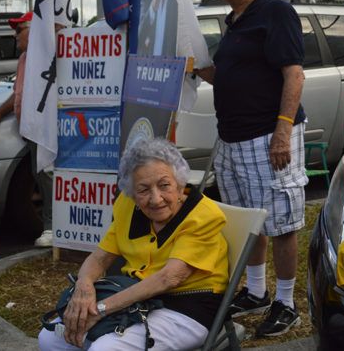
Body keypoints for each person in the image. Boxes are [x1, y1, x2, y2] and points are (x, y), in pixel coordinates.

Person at [195, 0, 307, 337]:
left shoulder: (275, 12)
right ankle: (258, 292)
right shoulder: (235, 21)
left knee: (281, 222)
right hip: (232, 139)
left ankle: (287, 303)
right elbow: (230, 75)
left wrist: (282, 131)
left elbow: (294, 74)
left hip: (267, 137)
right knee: (251, 221)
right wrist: (193, 68)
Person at [38, 137, 228, 350]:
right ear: (132, 192)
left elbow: (169, 278)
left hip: (187, 309)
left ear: (180, 183)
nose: (156, 199)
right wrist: (84, 287)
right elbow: (100, 257)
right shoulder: (127, 205)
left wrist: (100, 309)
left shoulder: (203, 216)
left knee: (106, 348)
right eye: (144, 190)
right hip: (137, 299)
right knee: (51, 336)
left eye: (164, 185)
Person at [0, 11, 54, 247]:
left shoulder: (47, 56)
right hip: (29, 129)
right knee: (40, 175)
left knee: (47, 175)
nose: (15, 35)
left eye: (20, 30)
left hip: (43, 128)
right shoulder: (25, 59)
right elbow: (18, 93)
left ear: (35, 31)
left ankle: (52, 228)